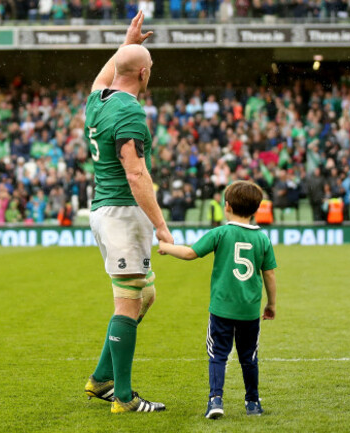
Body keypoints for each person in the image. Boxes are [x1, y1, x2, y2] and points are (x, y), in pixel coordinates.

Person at [83, 11, 174, 414]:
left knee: (145, 294)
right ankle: (122, 396)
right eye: (149, 67)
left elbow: (104, 76)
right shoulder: (131, 112)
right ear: (142, 72)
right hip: (122, 212)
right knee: (128, 302)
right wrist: (161, 225)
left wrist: (126, 41)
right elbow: (136, 173)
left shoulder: (97, 100)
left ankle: (101, 378)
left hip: (106, 210)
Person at [158, 181, 277, 419]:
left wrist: (165, 247)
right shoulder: (263, 239)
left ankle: (215, 401)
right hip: (249, 310)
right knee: (249, 356)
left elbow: (191, 253)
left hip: (222, 308)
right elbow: (269, 274)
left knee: (218, 354)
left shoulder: (220, 233)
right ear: (255, 210)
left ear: (227, 206)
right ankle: (252, 402)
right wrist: (271, 304)